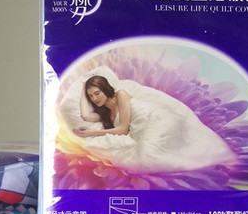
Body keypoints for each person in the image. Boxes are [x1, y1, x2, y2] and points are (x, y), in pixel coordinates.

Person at [71, 74, 236, 172]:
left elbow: (123, 129)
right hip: (144, 131)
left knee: (148, 156)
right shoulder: (105, 114)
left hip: (158, 119)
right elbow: (85, 115)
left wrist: (92, 133)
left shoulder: (121, 94)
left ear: (105, 89)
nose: (94, 98)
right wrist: (83, 91)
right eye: (91, 96)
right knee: (147, 157)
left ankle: (213, 168)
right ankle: (206, 168)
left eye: (97, 93)